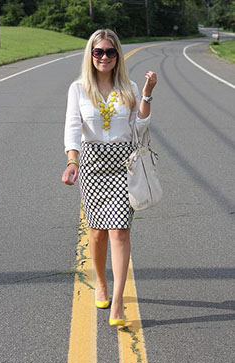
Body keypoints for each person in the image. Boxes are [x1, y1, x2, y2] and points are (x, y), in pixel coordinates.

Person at [62, 29, 157, 326]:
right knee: (97, 232)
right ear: (90, 55)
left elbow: (139, 127)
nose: (104, 57)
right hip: (91, 164)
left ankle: (117, 302)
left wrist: (146, 93)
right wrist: (72, 160)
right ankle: (100, 283)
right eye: (99, 52)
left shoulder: (127, 86)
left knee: (120, 231)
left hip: (122, 164)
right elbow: (73, 126)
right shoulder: (78, 88)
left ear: (117, 56)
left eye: (110, 52)